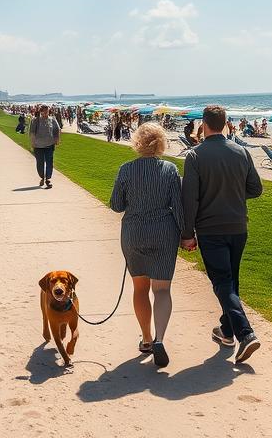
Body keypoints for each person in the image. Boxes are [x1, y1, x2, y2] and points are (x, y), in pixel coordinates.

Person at [180, 106, 263, 364]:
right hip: (238, 226)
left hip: (211, 228)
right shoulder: (241, 152)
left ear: (203, 125)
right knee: (231, 281)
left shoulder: (195, 156)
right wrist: (233, 194)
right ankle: (227, 332)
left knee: (222, 282)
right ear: (226, 124)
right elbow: (256, 189)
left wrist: (187, 233)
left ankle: (245, 333)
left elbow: (189, 199)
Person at [109, 123, 183, 368]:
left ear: (137, 143)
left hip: (134, 232)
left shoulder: (126, 170)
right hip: (163, 231)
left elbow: (116, 205)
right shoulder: (170, 170)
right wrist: (186, 234)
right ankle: (160, 337)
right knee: (162, 290)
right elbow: (179, 207)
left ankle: (147, 338)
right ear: (161, 143)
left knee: (140, 288)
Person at [29, 104, 60, 189]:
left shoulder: (52, 119)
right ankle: (42, 177)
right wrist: (32, 144)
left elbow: (57, 129)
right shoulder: (35, 120)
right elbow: (32, 133)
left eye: (47, 111)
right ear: (41, 111)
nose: (46, 113)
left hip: (49, 145)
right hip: (38, 146)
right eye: (44, 111)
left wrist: (57, 139)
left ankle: (48, 179)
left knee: (49, 162)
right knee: (40, 163)